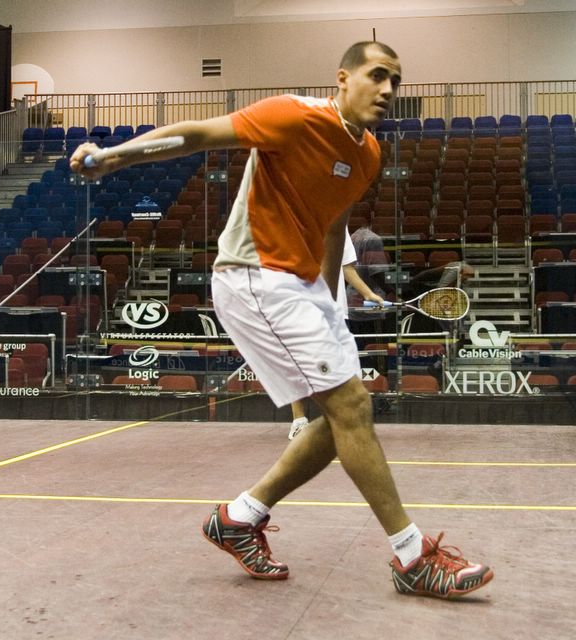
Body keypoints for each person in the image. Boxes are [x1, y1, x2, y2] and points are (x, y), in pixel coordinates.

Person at [71, 41, 493, 599]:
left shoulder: (367, 154)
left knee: (340, 420)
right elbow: (198, 134)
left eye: (396, 80)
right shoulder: (292, 115)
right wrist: (117, 155)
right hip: (255, 276)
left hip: (305, 286)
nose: (389, 89)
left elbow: (333, 226)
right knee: (351, 406)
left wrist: (330, 299)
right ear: (343, 78)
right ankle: (413, 557)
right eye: (377, 75)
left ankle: (239, 517)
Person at [288, 232, 384, 440]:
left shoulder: (339, 227)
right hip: (300, 307)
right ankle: (298, 421)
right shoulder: (293, 223)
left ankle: (338, 419)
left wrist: (367, 293)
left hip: (335, 312)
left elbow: (347, 268)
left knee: (343, 368)